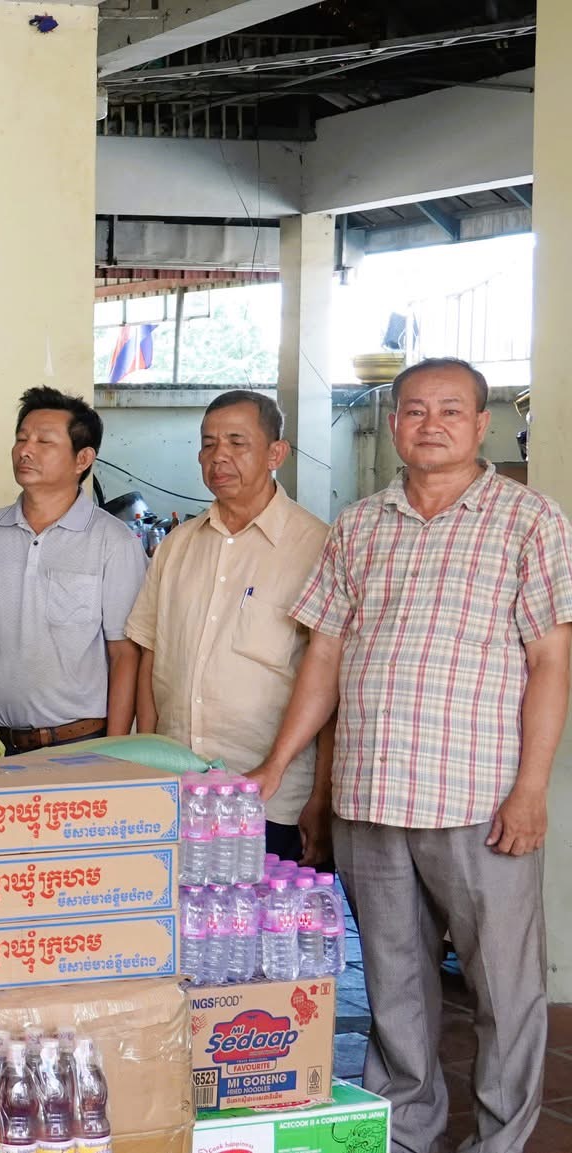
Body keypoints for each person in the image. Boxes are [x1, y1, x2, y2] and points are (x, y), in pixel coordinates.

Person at [246, 358, 571, 1153]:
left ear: (482, 424)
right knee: (394, 985)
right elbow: (324, 655)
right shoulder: (359, 524)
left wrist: (532, 789)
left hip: (480, 800)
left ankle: (500, 1140)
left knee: (504, 989)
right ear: (392, 423)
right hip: (372, 795)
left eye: (451, 410)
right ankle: (408, 1132)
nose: (431, 424)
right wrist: (278, 764)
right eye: (415, 409)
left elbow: (551, 661)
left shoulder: (529, 519)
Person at [125, 391, 332, 862]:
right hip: (177, 792)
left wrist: (322, 797)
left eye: (237, 443)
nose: (219, 456)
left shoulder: (317, 546)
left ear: (276, 453)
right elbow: (151, 657)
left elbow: (330, 683)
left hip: (270, 798)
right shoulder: (177, 546)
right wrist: (145, 765)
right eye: (208, 444)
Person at [0, 387, 145, 750]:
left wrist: (112, 753)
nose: (25, 450)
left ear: (82, 458)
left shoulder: (113, 542)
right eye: (21, 438)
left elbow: (124, 655)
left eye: (44, 441)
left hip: (76, 744)